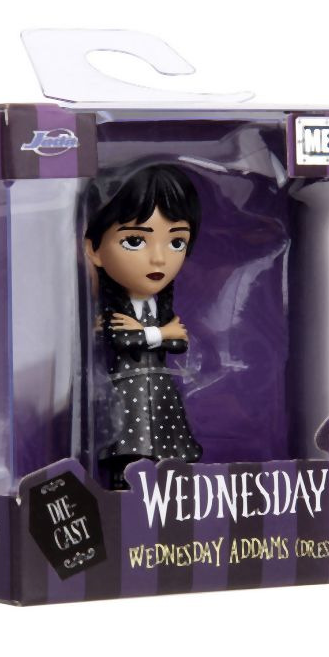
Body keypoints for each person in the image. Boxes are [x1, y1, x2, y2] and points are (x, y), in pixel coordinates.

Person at [83, 165, 203, 490]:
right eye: (135, 240)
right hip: (126, 392)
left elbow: (180, 342)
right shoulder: (112, 309)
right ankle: (125, 489)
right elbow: (122, 338)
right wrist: (162, 334)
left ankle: (166, 491)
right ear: (94, 250)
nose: (159, 259)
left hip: (159, 391)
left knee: (167, 448)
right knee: (129, 446)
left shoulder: (158, 308)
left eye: (176, 242)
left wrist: (154, 335)